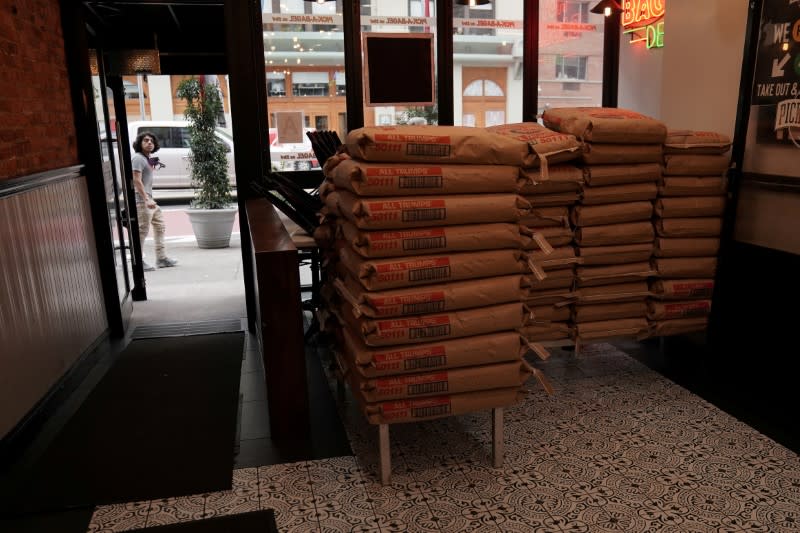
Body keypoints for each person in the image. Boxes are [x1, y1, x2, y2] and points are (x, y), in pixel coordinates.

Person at [131, 131, 178, 271]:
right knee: (142, 231)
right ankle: (138, 262)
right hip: (142, 201)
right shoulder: (138, 158)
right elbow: (136, 180)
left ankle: (161, 258)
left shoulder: (147, 158)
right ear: (140, 143)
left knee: (159, 226)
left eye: (151, 141)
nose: (149, 142)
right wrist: (146, 199)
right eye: (145, 140)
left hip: (149, 199)